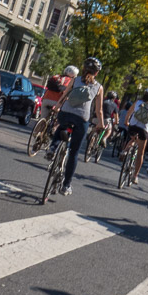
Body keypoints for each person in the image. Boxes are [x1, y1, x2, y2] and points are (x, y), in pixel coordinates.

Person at [47, 57, 105, 196]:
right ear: (96, 73)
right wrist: (101, 124)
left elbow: (65, 94)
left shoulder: (75, 80)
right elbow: (99, 110)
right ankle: (66, 186)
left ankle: (53, 147)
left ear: (83, 69)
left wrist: (57, 107)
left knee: (61, 127)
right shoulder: (99, 87)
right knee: (73, 153)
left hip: (66, 112)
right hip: (81, 119)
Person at [121, 87, 148, 184]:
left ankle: (125, 151)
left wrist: (126, 121)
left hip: (132, 127)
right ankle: (135, 176)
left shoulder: (137, 102)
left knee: (133, 139)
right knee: (140, 152)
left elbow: (129, 112)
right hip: (143, 130)